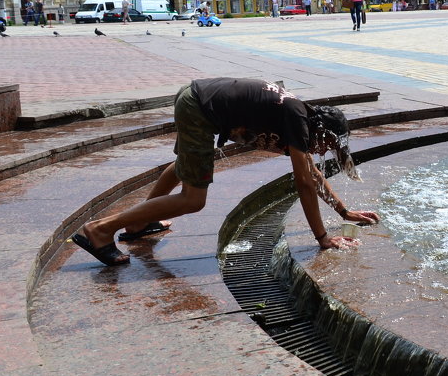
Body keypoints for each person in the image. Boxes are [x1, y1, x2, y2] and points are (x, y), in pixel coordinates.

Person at [71, 78, 380, 265]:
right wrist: (323, 238)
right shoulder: (298, 119)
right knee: (193, 200)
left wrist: (343, 212)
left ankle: (138, 224)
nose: (325, 151)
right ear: (321, 129)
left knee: (184, 168)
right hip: (200, 109)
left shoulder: (298, 116)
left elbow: (310, 173)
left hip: (196, 98)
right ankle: (100, 229)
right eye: (328, 144)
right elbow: (303, 183)